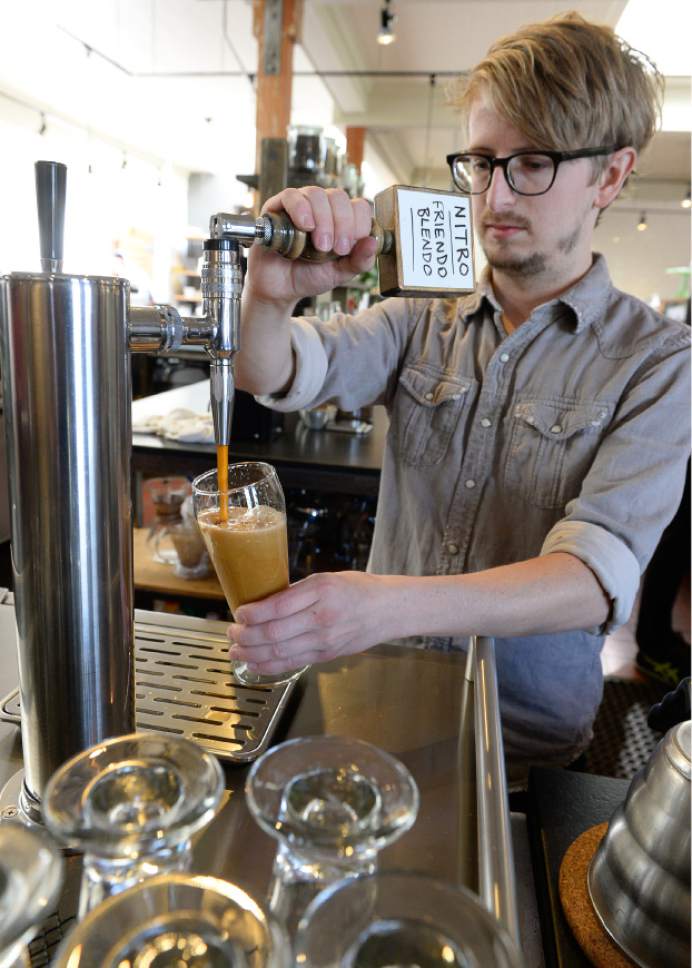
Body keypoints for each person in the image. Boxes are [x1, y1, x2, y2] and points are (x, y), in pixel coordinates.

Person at [230, 13, 691, 784]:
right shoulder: (420, 319)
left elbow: (590, 577)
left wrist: (384, 607)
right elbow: (279, 371)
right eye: (481, 162)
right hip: (382, 706)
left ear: (610, 176)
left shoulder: (658, 362)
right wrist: (270, 297)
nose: (495, 194)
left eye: (532, 163)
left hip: (522, 748)